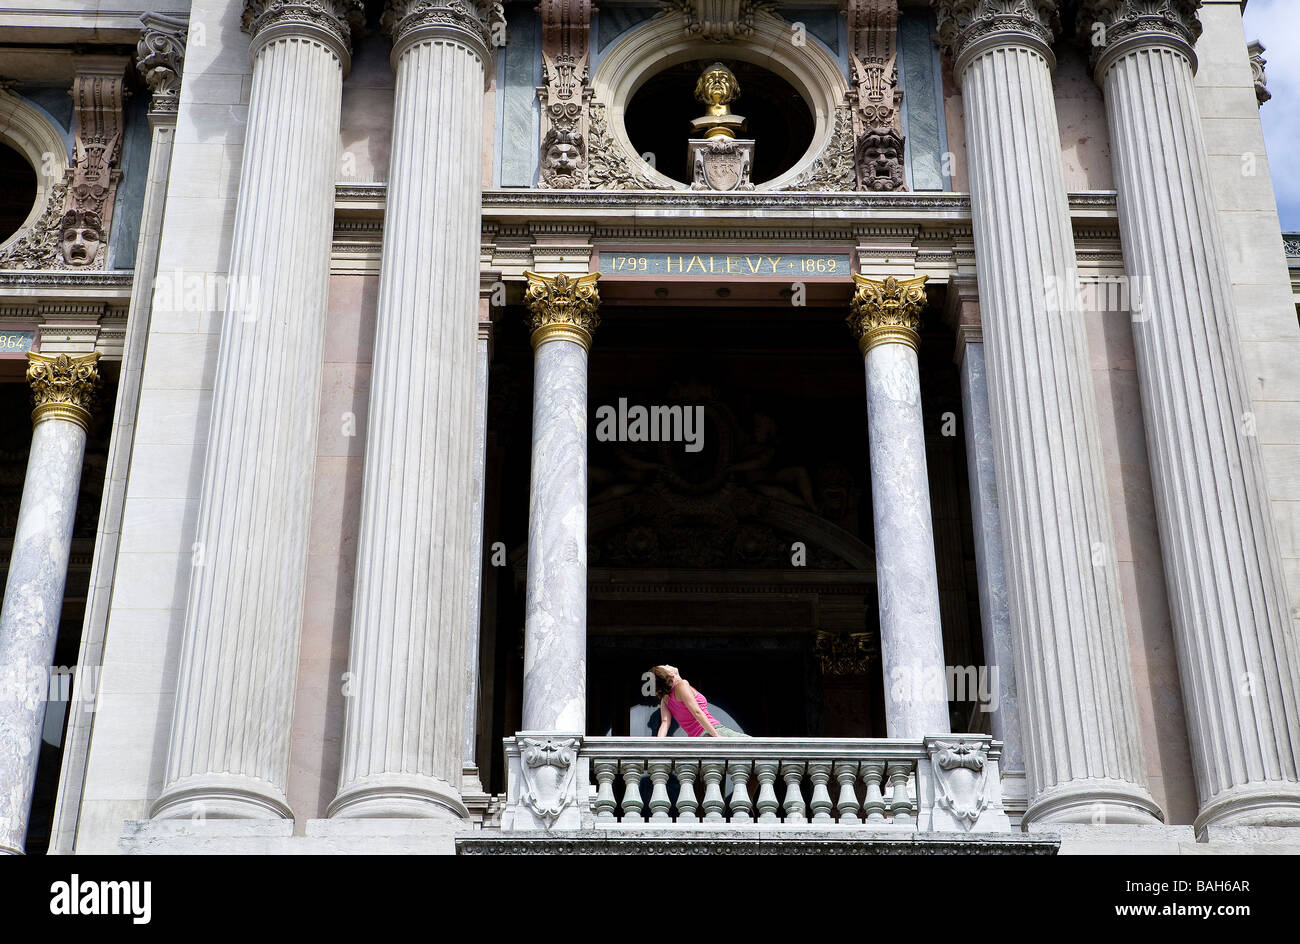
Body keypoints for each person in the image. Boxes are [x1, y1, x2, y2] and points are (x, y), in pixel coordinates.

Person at [649, 664, 749, 737]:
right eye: (665, 667)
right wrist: (716, 736)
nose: (667, 664)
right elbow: (697, 712)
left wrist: (658, 745)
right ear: (670, 675)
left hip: (698, 737)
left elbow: (665, 723)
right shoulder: (682, 685)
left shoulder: (665, 699)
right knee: (754, 745)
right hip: (712, 731)